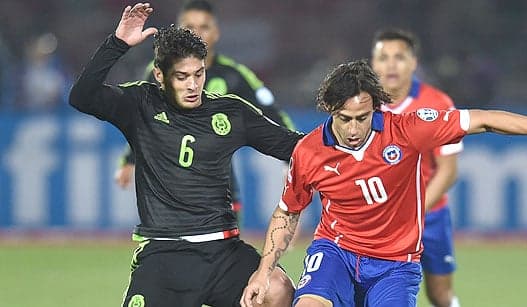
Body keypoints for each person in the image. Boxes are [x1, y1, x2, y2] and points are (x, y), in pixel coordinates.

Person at [241, 60, 527, 307]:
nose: (353, 129)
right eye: (344, 119)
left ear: (375, 109)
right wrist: (264, 271)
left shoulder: (406, 130)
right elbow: (288, 212)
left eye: (362, 118)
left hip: (395, 263)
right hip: (336, 252)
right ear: (329, 109)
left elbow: (484, 121)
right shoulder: (309, 151)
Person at [69, 3, 301, 306]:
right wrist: (118, 43)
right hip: (163, 255)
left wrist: (353, 136)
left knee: (278, 289)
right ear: (160, 76)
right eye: (181, 77)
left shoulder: (230, 111)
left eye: (198, 74)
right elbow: (81, 96)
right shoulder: (140, 103)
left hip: (223, 253)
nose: (193, 86)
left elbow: (294, 145)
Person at [114, 0, 296, 217]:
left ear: (216, 33)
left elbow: (274, 116)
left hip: (220, 193)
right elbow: (141, 121)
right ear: (179, 31)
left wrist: (290, 159)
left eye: (204, 27)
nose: (197, 34)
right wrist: (129, 160)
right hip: (168, 192)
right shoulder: (158, 72)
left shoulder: (235, 75)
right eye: (190, 27)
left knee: (224, 250)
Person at [371, 28, 461, 307]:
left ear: (413, 63)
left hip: (429, 216)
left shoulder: (437, 104)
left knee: (439, 294)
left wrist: (414, 211)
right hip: (377, 220)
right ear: (373, 64)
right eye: (383, 57)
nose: (391, 65)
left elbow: (448, 170)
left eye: (399, 57)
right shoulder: (361, 106)